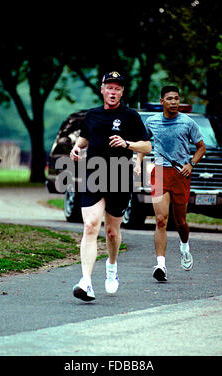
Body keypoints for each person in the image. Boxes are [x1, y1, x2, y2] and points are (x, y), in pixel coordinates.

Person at [70, 71, 152, 301]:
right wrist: (77, 147)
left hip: (119, 176)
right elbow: (85, 137)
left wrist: (127, 143)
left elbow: (146, 147)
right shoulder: (92, 115)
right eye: (110, 87)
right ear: (102, 89)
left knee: (112, 232)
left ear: (122, 92)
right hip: (94, 174)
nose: (113, 92)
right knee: (90, 226)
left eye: (117, 88)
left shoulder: (131, 116)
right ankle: (86, 281)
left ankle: (112, 267)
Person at [135, 86, 206, 282]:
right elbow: (144, 143)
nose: (174, 102)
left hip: (180, 174)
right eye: (169, 99)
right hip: (159, 172)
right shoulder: (152, 121)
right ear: (162, 102)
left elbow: (201, 147)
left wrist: (190, 164)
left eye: (176, 99)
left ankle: (184, 247)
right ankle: (161, 265)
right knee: (161, 220)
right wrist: (138, 161)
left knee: (180, 221)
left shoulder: (187, 122)